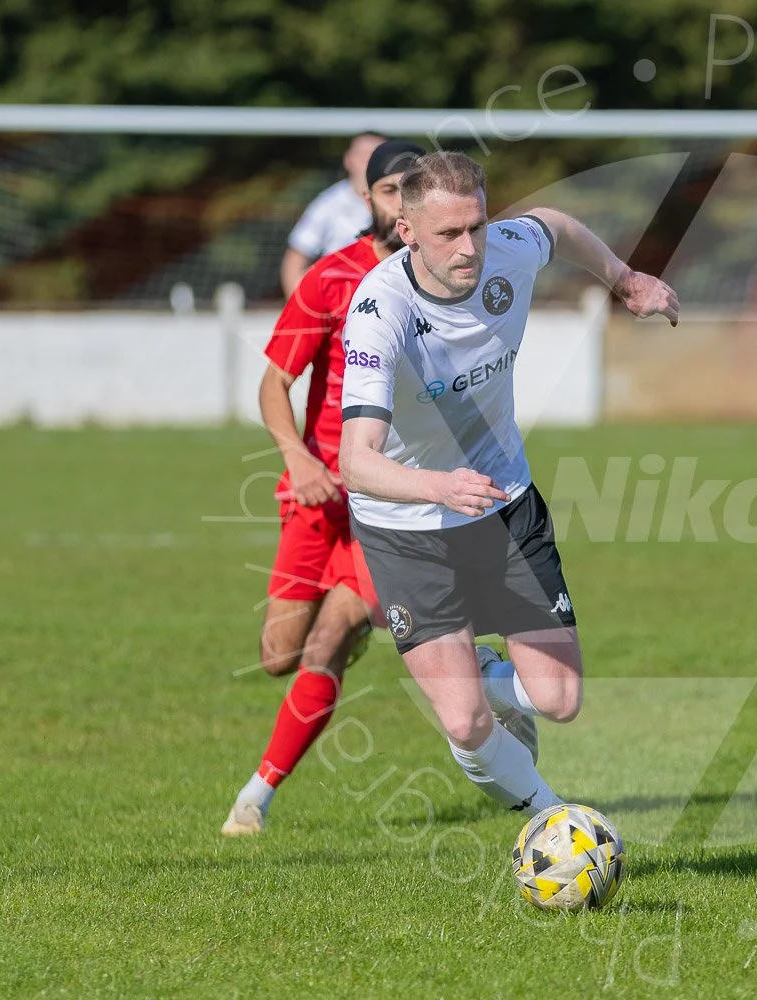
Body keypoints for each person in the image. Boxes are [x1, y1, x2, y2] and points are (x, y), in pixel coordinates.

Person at [338, 150, 678, 814]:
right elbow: (357, 461)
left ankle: (488, 673)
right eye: (448, 234)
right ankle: (554, 822)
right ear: (406, 230)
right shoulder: (380, 312)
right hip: (407, 529)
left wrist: (626, 278)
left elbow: (554, 223)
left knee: (559, 700)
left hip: (503, 506)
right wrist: (437, 486)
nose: (469, 248)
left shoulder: (508, 250)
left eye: (478, 227)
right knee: (465, 723)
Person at [221, 140, 427, 837]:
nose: (404, 203)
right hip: (317, 496)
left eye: (415, 189)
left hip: (389, 501)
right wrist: (299, 459)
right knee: (279, 655)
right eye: (393, 189)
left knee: (326, 642)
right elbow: (274, 383)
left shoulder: (444, 283)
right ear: (367, 198)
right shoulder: (331, 278)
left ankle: (255, 797)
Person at [280, 132, 387, 297]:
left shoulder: (403, 203)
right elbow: (296, 257)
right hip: (337, 304)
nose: (368, 160)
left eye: (375, 154)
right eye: (362, 154)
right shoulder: (328, 204)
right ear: (348, 160)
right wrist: (299, 310)